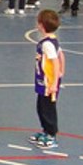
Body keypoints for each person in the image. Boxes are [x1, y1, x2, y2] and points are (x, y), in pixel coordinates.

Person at [29, 10, 65, 149]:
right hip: (44, 81)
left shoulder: (47, 44)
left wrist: (55, 82)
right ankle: (45, 131)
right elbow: (61, 55)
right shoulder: (52, 40)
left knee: (47, 109)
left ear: (41, 25)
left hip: (48, 82)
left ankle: (51, 135)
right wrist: (62, 72)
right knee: (41, 107)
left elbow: (55, 61)